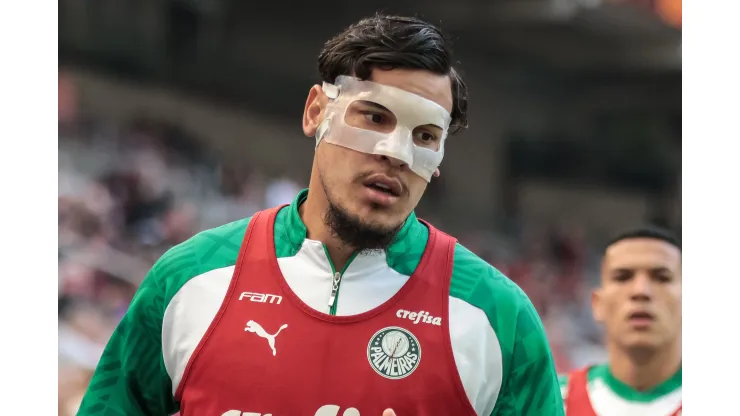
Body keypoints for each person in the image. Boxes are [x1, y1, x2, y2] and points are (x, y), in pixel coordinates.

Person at [77, 14, 563, 416]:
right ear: (316, 111)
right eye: (374, 116)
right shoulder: (188, 279)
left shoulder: (499, 319)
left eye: (424, 137)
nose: (395, 153)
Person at [559, 227, 682, 415]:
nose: (641, 291)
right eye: (623, 277)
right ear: (597, 303)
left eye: (661, 277)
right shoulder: (551, 400)